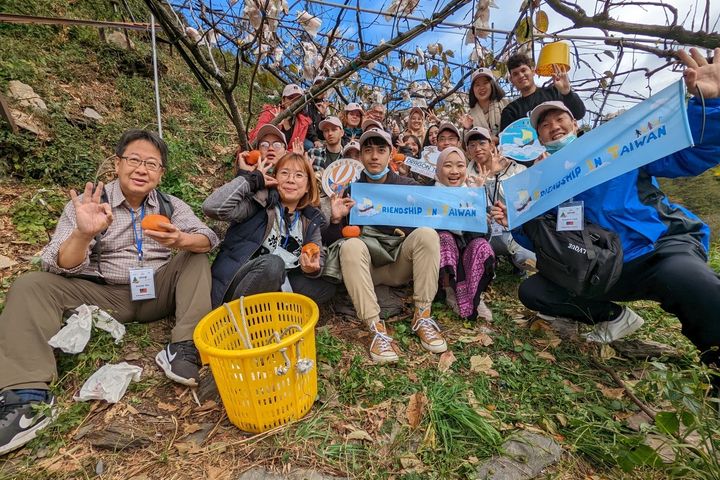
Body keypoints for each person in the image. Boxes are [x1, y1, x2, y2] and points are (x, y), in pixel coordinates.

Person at [490, 48, 720, 387]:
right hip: (598, 270)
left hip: (656, 250)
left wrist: (710, 106)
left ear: (575, 123)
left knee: (691, 282)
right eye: (544, 125)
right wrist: (519, 220)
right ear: (538, 139)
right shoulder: (541, 181)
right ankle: (615, 316)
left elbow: (695, 152)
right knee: (534, 291)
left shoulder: (616, 147)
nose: (553, 127)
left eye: (559, 120)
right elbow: (541, 242)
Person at [0, 130, 220, 455]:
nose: (141, 169)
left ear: (160, 174)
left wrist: (182, 241)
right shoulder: (90, 205)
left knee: (196, 257)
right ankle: (26, 396)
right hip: (101, 296)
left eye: (151, 164)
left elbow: (208, 237)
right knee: (31, 285)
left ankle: (184, 347)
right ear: (117, 164)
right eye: (134, 160)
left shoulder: (170, 206)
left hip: (155, 291)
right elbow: (58, 263)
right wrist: (82, 234)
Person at [323, 127, 444, 363]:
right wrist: (336, 219)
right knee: (349, 246)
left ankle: (422, 316)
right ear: (361, 156)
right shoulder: (351, 190)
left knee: (428, 235)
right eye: (368, 150)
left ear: (391, 154)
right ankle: (375, 328)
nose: (374, 156)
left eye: (381, 150)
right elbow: (332, 240)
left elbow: (434, 218)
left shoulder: (407, 186)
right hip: (365, 268)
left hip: (398, 264)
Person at [204, 152, 334, 308]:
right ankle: (236, 319)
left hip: (279, 281)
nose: (290, 180)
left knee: (326, 289)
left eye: (299, 175)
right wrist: (251, 179)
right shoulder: (259, 202)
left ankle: (269, 314)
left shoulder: (309, 219)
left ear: (307, 186)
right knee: (273, 264)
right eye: (284, 173)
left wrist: (312, 267)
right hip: (240, 280)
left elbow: (317, 252)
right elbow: (212, 208)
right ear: (275, 179)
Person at [434, 147, 495, 321]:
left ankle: (475, 295)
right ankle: (449, 290)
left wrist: (475, 198)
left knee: (481, 246)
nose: (454, 171)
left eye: (460, 165)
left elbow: (485, 234)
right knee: (443, 238)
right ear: (439, 169)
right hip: (444, 260)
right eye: (447, 166)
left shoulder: (473, 191)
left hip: (467, 252)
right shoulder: (429, 194)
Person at [464, 127, 536, 274]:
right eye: (472, 145)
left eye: (482, 143)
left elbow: (525, 202)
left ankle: (517, 262)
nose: (477, 149)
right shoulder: (465, 176)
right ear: (468, 151)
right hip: (484, 233)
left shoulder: (517, 170)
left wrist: (497, 176)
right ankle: (490, 261)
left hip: (514, 229)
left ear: (492, 145)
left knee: (528, 258)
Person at [499, 52, 586, 131]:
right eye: (515, 74)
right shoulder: (511, 110)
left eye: (523, 70)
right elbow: (508, 141)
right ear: (511, 79)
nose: (521, 75)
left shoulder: (554, 92)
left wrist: (567, 93)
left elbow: (579, 114)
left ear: (533, 71)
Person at [249, 84, 312, 151]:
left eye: (298, 99)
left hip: (285, 158)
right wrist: (275, 125)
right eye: (291, 98)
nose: (294, 102)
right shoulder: (270, 113)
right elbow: (256, 138)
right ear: (283, 100)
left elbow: (296, 148)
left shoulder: (302, 123)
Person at [461, 68, 509, 142]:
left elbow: (514, 135)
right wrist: (468, 128)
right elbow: (467, 145)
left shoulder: (506, 105)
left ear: (492, 85)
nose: (481, 87)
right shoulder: (469, 116)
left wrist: (496, 140)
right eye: (477, 85)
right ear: (472, 90)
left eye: (485, 83)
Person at [305, 76, 329, 148]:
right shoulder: (306, 102)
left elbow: (321, 135)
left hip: (313, 139)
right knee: (311, 146)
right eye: (317, 86)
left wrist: (323, 116)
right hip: (303, 137)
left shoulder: (322, 106)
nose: (319, 90)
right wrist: (315, 140)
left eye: (322, 88)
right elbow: (307, 124)